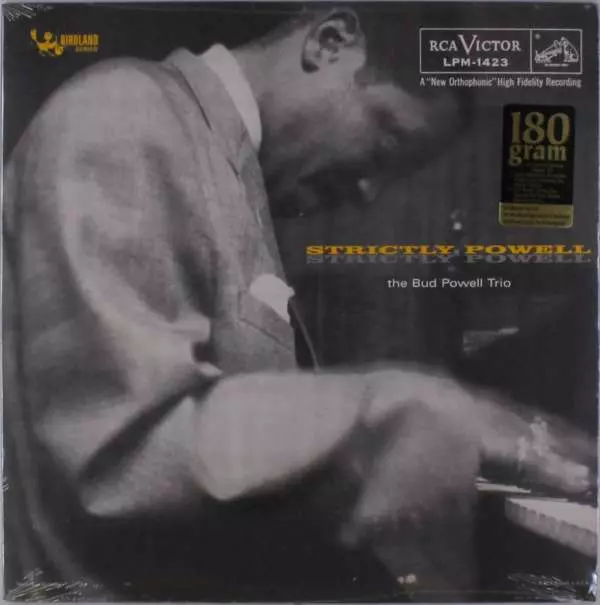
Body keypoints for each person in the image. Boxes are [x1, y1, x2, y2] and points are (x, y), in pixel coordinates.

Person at [3, 6, 593, 601]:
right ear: (329, 43)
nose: (368, 193)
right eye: (387, 138)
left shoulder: (224, 168)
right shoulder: (125, 112)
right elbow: (121, 461)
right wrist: (393, 407)